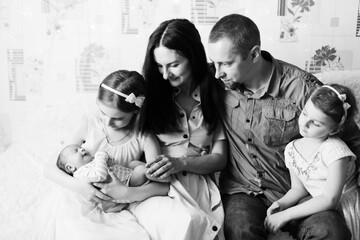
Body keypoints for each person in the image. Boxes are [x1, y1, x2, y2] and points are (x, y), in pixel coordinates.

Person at [208, 13, 360, 239]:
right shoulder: (217, 82)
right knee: (240, 230)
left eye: (226, 63)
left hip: (301, 192)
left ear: (254, 54)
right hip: (244, 190)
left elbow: (352, 138)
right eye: (215, 63)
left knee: (331, 232)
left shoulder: (302, 89)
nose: (218, 72)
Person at [38, 70, 169, 240]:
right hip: (80, 200)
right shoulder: (90, 125)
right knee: (75, 227)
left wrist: (126, 193)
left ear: (135, 112)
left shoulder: (144, 137)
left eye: (118, 118)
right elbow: (49, 168)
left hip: (117, 205)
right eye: (103, 112)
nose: (108, 122)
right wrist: (80, 187)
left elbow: (163, 186)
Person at [132, 18, 228, 240]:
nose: (166, 75)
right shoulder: (150, 95)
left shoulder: (216, 93)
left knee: (196, 224)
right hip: (157, 187)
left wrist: (180, 163)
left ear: (193, 56)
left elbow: (219, 159)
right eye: (159, 66)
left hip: (198, 186)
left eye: (174, 65)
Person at [264, 84, 357, 234]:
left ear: (334, 129)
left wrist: (286, 215)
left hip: (341, 206)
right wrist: (281, 204)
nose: (304, 124)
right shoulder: (292, 149)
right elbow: (298, 189)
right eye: (305, 113)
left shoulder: (335, 151)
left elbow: (329, 200)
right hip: (316, 204)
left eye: (316, 123)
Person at [56, 144, 169, 212]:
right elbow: (100, 175)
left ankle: (152, 175)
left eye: (81, 147)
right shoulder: (81, 174)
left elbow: (112, 166)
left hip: (126, 177)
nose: (82, 150)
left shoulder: (90, 164)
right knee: (140, 170)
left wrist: (109, 161)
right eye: (77, 151)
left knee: (133, 163)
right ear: (70, 167)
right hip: (124, 185)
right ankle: (164, 178)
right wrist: (101, 157)